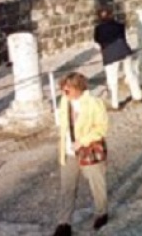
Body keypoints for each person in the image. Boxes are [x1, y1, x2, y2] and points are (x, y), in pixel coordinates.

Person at [53, 73, 110, 236]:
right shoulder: (64, 101)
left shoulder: (94, 103)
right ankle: (64, 223)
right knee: (67, 188)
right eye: (63, 89)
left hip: (89, 151)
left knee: (97, 184)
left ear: (77, 88)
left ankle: (102, 212)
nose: (64, 93)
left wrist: (83, 141)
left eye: (67, 90)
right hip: (69, 152)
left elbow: (102, 128)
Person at [93, 8, 142, 110]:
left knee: (112, 79)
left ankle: (115, 104)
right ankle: (138, 95)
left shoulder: (98, 29)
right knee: (130, 73)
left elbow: (97, 44)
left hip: (109, 54)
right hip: (124, 50)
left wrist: (103, 50)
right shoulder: (120, 25)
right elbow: (125, 38)